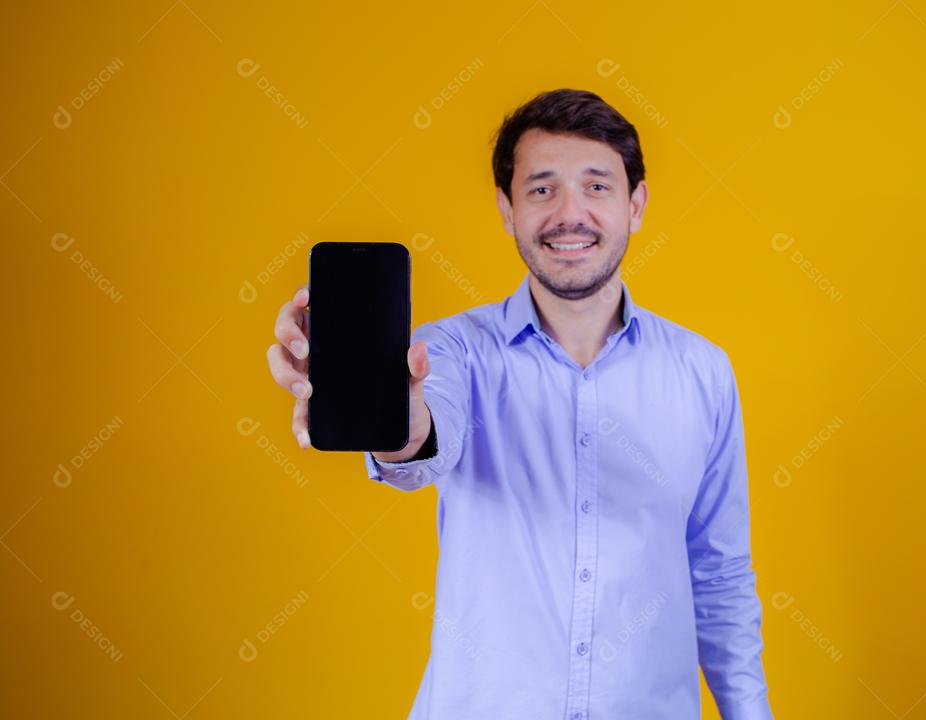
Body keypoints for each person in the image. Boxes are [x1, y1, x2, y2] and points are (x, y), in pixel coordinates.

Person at [267, 88, 773, 719]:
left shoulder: (702, 371)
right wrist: (387, 407)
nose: (569, 213)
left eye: (596, 186)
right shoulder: (450, 351)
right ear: (507, 209)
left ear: (635, 205)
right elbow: (422, 440)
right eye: (540, 189)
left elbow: (720, 575)